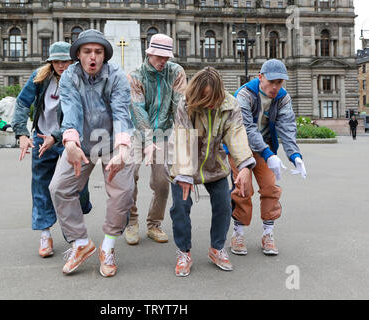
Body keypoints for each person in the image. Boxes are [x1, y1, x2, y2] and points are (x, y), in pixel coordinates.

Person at [48, 29, 135, 277]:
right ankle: (81, 243)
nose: (92, 57)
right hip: (82, 143)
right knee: (59, 187)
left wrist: (122, 149)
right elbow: (71, 111)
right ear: (78, 55)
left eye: (98, 52)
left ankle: (107, 247)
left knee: (123, 192)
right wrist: (71, 144)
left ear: (104, 56)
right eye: (87, 52)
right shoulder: (69, 77)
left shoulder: (117, 76)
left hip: (112, 144)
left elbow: (121, 113)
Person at [167, 67, 255, 277]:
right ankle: (184, 252)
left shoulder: (230, 104)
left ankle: (217, 248)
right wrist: (185, 174)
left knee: (224, 204)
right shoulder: (185, 104)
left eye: (213, 97)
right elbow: (183, 139)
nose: (210, 102)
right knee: (180, 206)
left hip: (214, 162)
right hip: (183, 160)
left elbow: (236, 134)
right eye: (204, 97)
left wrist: (244, 166)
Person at [11, 41, 91, 259]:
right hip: (41, 138)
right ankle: (46, 234)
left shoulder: (79, 79)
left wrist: (57, 137)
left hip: (69, 141)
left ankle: (73, 231)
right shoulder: (40, 76)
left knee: (76, 188)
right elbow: (21, 103)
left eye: (65, 61)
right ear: (51, 62)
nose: (61, 65)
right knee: (41, 186)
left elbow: (80, 113)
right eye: (57, 61)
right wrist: (22, 134)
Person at [228, 59, 307, 257]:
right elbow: (247, 129)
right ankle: (238, 233)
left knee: (271, 188)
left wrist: (294, 155)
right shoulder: (244, 94)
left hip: (266, 149)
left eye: (279, 82)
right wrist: (268, 154)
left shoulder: (283, 97)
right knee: (243, 190)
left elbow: (287, 127)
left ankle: (268, 234)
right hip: (240, 148)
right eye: (271, 82)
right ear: (260, 77)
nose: (275, 87)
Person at [126, 34, 187, 245]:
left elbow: (180, 104)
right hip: (137, 132)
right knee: (129, 175)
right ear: (149, 53)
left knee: (162, 181)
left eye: (166, 57)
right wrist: (148, 139)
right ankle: (131, 221)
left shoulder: (176, 72)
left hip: (164, 132)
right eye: (159, 56)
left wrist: (182, 135)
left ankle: (154, 224)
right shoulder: (135, 76)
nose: (163, 61)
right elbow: (137, 109)